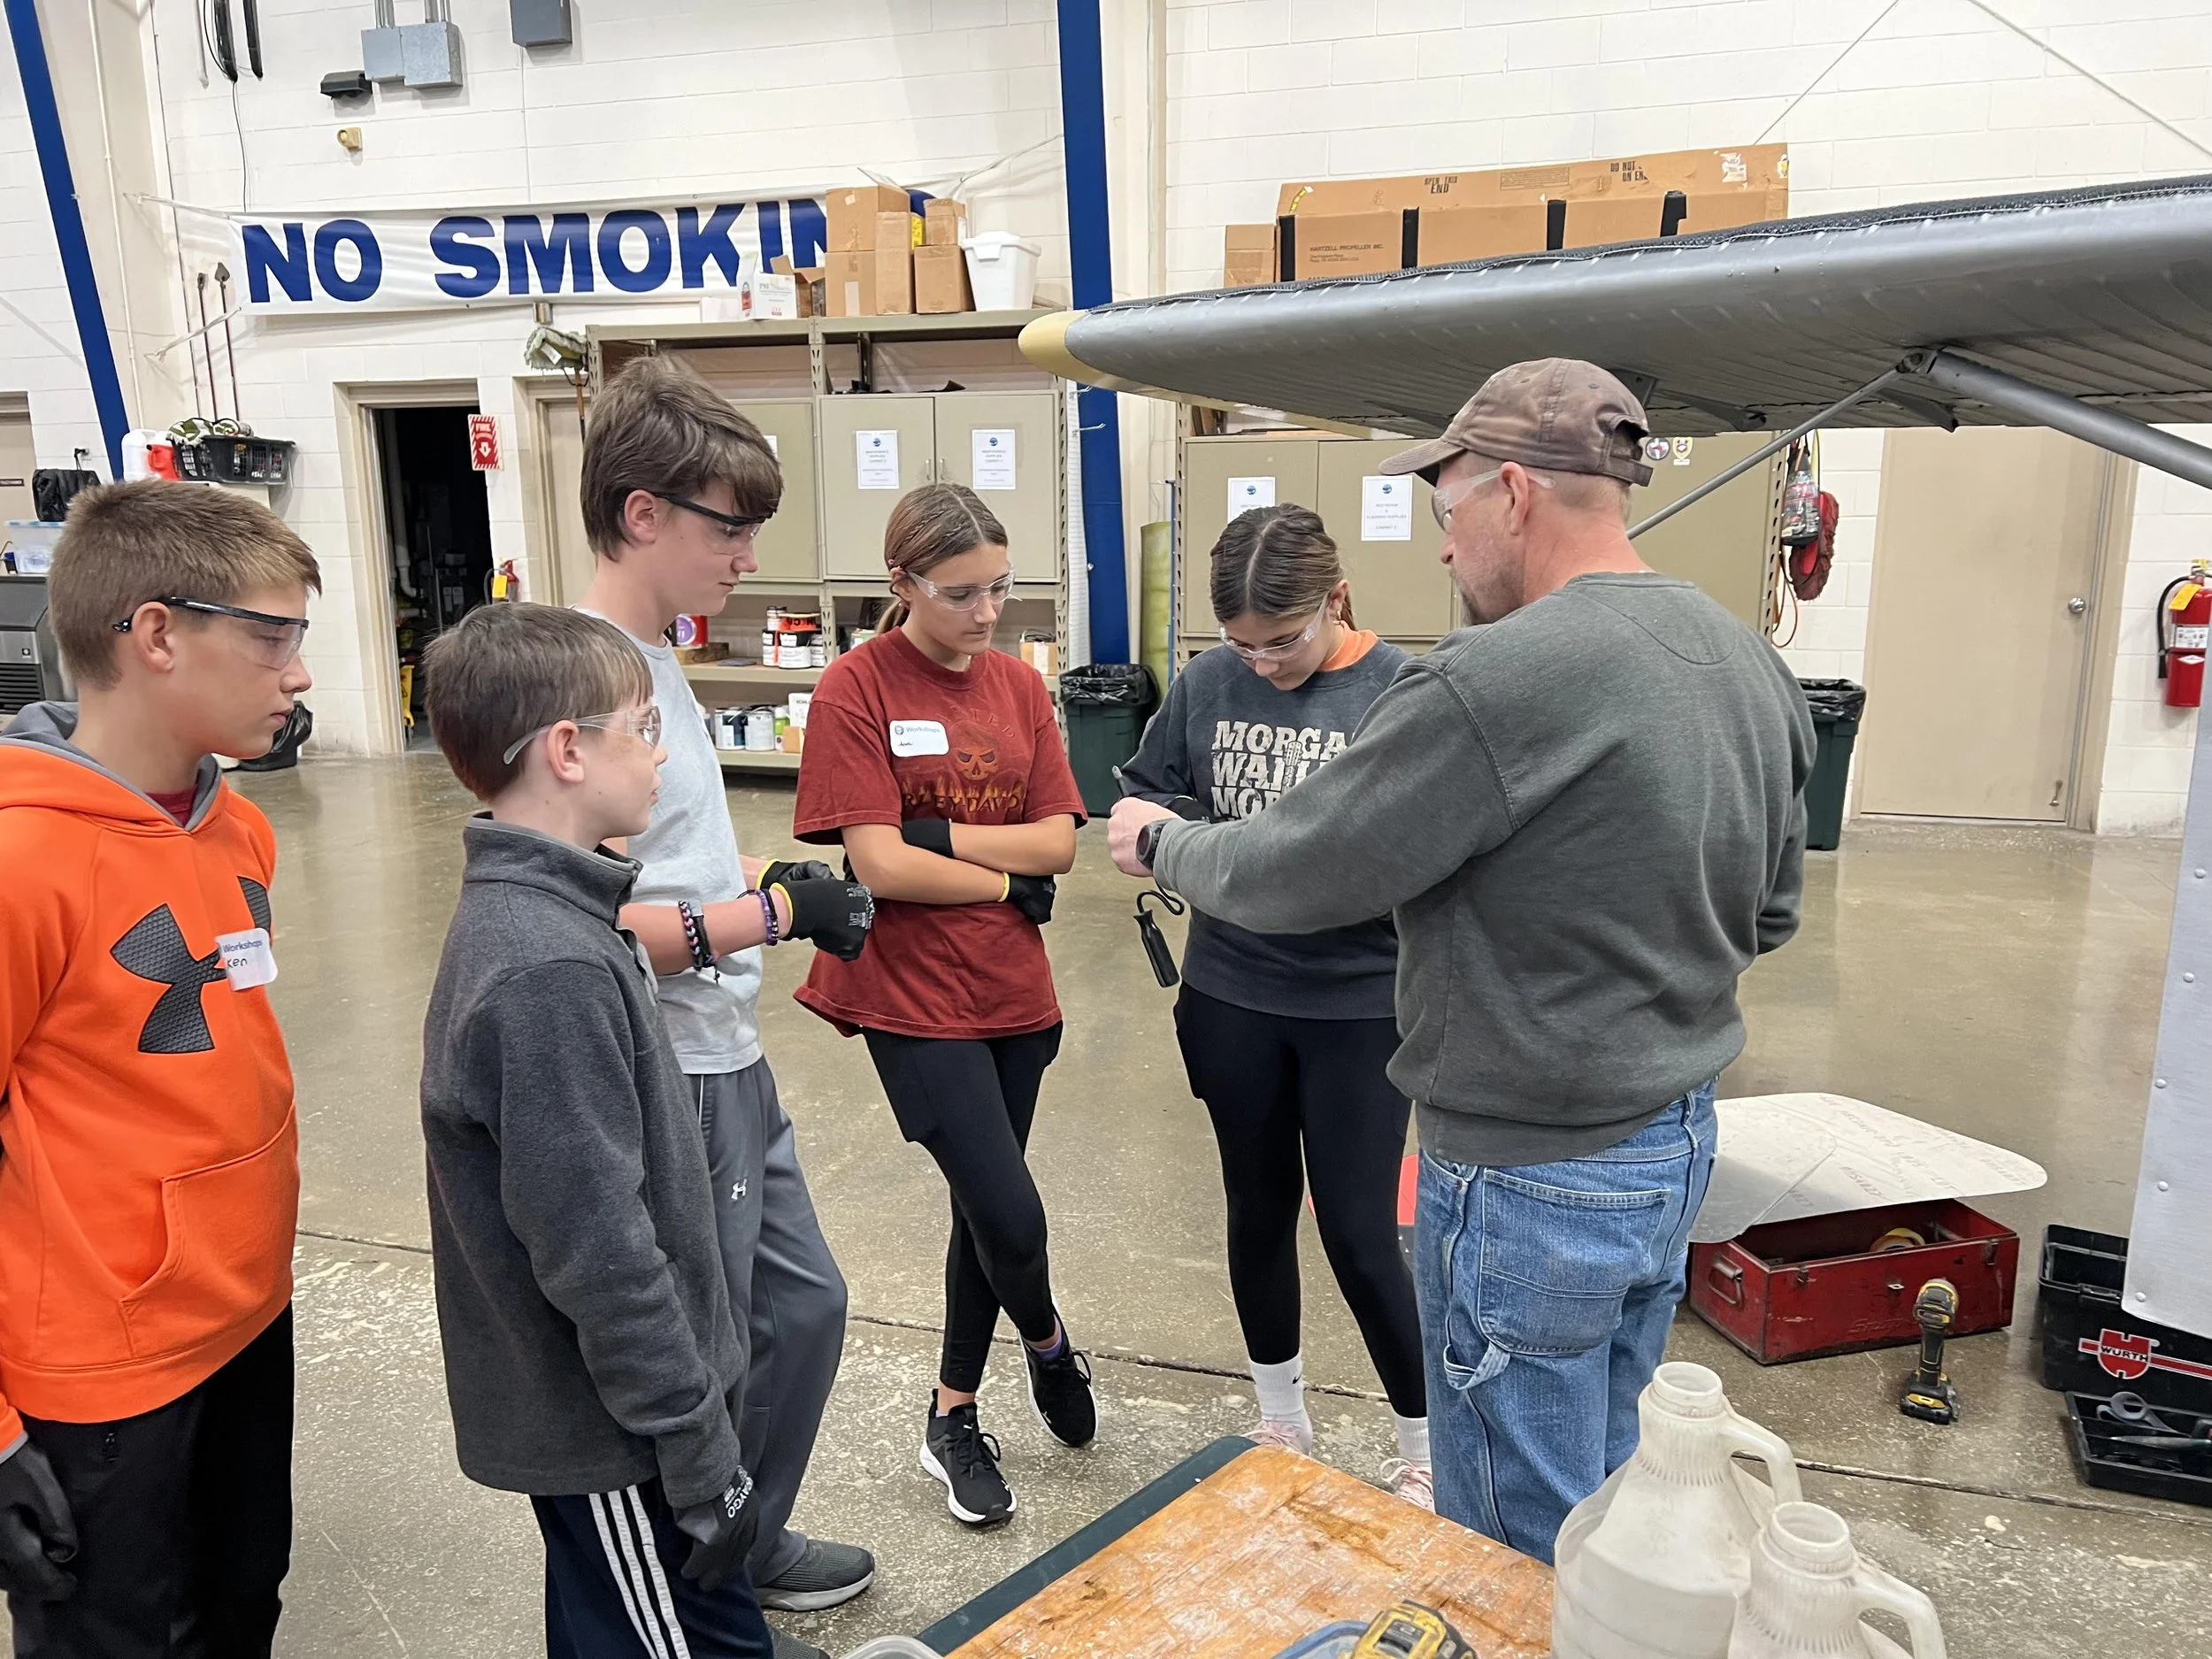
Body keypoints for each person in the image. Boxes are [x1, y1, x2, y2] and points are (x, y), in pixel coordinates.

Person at [1109, 359, 1813, 1563]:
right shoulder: (1742, 656)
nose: (1443, 552)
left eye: (1448, 517)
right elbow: (1773, 912)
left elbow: (1297, 871)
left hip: (1530, 1167)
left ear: (1516, 494)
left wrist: (1166, 839)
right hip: (1671, 1146)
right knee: (1604, 1489)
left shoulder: (1491, 680)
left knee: (1504, 1540)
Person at [576, 357, 875, 1646]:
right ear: (645, 515)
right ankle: (707, 1577)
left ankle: (739, 1536)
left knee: (800, 1307)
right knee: (713, 1349)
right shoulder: (586, 679)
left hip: (728, 1045)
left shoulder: (658, 659)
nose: (750, 553)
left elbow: (672, 863)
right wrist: (772, 916)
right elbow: (582, 923)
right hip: (675, 1063)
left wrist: (761, 878)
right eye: (729, 526)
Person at [0, 480, 319, 1653]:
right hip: (101, 1373)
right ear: (157, 633)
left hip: (246, 1316)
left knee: (243, 1603)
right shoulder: (21, 858)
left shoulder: (240, 829)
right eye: (271, 634)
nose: (296, 672)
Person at [419, 603, 772, 1658]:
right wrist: (697, 1448)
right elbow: (597, 1248)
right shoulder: (548, 968)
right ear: (568, 751)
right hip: (618, 1437)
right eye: (641, 725)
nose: (660, 752)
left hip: (627, 1423)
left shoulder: (567, 917)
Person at [791, 482, 1094, 1529]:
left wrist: (934, 842)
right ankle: (1047, 1341)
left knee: (984, 1204)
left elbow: (1061, 837)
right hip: (909, 996)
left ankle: (951, 1413)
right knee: (1009, 1210)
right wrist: (1005, 880)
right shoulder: (854, 689)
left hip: (1013, 992)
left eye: (1000, 587)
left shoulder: (1017, 685)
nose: (986, 611)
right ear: (903, 583)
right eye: (961, 592)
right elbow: (873, 863)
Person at [1117, 504, 1432, 1507]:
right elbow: (1140, 804)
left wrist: (1249, 855)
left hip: (1358, 1006)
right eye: (1240, 644)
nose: (1262, 663)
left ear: (1336, 599)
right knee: (1255, 1207)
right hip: (1232, 993)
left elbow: (1417, 848)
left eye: (1283, 640)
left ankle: (1424, 1447)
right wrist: (1202, 841)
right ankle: (1281, 1416)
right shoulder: (1211, 684)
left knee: (1354, 1227)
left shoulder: (1401, 690)